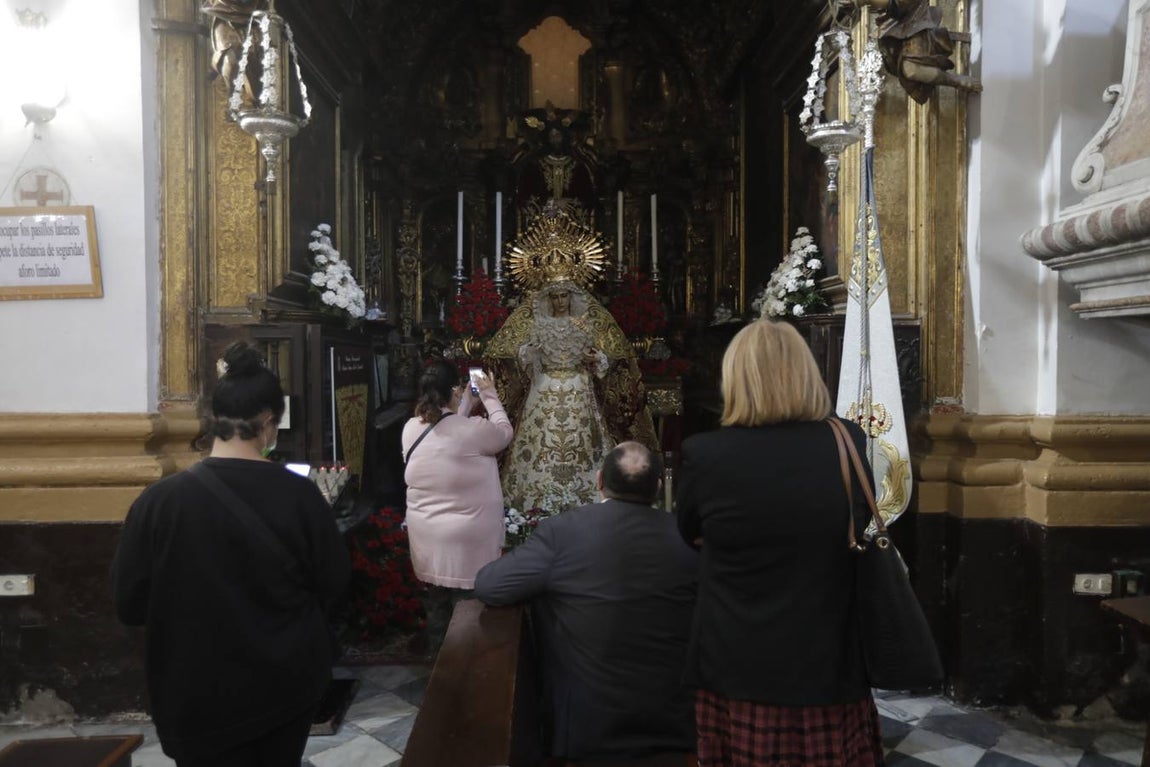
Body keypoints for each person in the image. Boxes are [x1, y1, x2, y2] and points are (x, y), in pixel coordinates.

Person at [110, 341, 350, 767]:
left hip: (194, 693)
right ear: (267, 422)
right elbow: (333, 584)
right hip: (282, 687)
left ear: (212, 420)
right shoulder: (299, 496)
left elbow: (129, 604)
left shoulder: (158, 501)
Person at [675, 319, 884, 767]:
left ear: (734, 378)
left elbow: (689, 532)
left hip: (737, 654)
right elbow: (858, 521)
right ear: (808, 374)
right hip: (827, 652)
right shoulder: (848, 440)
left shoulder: (704, 454)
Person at [475, 442, 698, 763]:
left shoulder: (563, 532)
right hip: (671, 726)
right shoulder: (686, 539)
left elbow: (490, 585)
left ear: (599, 481)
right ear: (659, 487)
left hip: (584, 729)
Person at [487, 277, 656, 514]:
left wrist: (596, 359)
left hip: (579, 388)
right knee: (539, 441)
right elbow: (525, 361)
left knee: (583, 439)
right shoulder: (540, 325)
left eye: (564, 295)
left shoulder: (584, 325)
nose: (559, 301)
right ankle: (535, 502)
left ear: (571, 297)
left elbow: (602, 360)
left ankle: (585, 496)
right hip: (544, 388)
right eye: (554, 297)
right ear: (548, 300)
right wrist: (529, 353)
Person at [401, 358, 514, 649]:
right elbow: (504, 432)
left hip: (427, 539)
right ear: (454, 389)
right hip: (467, 544)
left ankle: (437, 669)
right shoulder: (475, 429)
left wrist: (461, 402)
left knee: (437, 611)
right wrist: (489, 396)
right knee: (468, 617)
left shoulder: (411, 428)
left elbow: (447, 429)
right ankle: (464, 678)